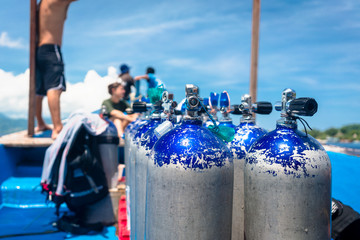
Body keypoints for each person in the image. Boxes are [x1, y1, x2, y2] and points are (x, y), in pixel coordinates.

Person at [35, 0, 77, 139]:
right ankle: (58, 127)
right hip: (52, 48)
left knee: (39, 90)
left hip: (39, 50)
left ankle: (40, 123)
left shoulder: (41, 4)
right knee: (55, 88)